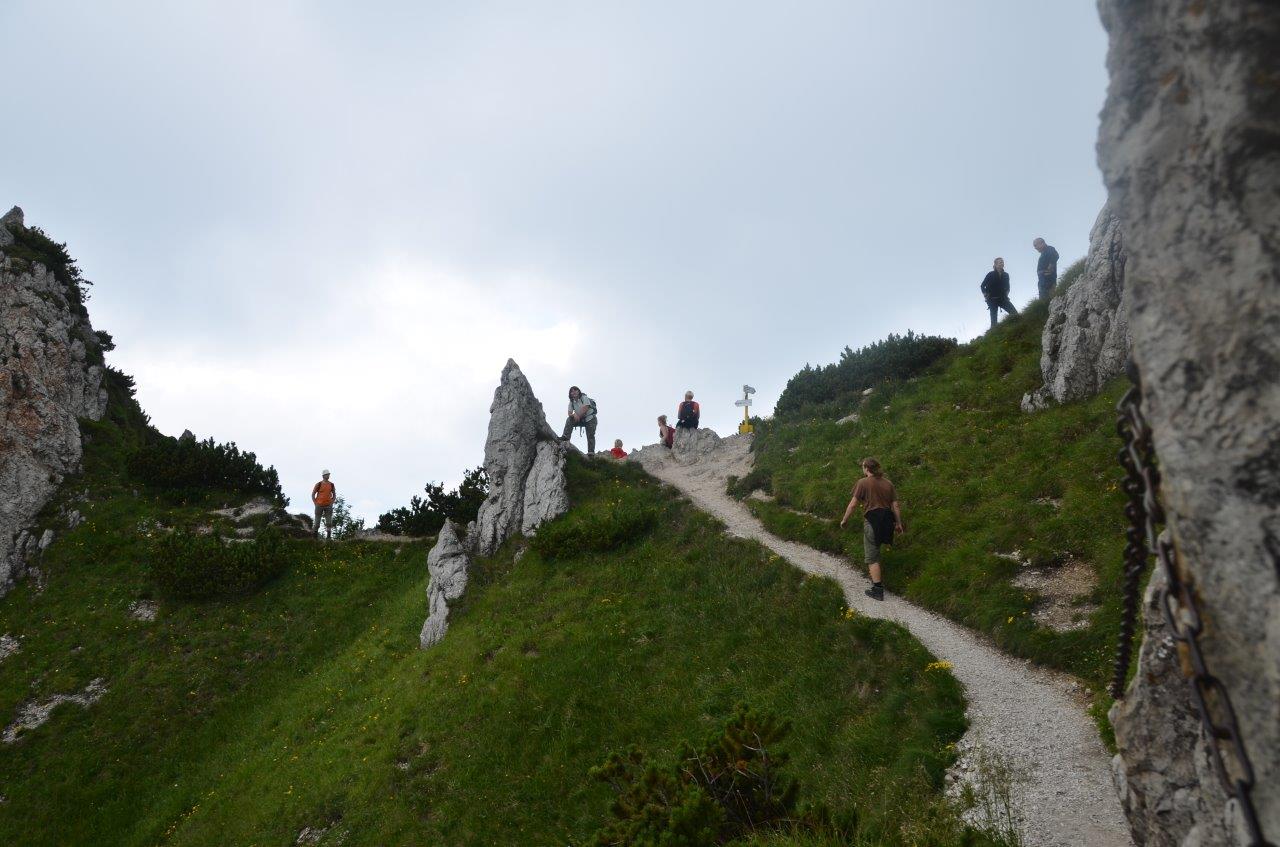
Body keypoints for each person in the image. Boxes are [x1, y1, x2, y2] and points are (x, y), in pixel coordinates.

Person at [839, 457, 904, 601]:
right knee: (878, 549)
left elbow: (853, 504)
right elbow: (895, 506)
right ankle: (879, 580)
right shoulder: (888, 483)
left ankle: (877, 590)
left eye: (863, 467)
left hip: (873, 520)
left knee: (872, 556)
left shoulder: (863, 482)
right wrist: (898, 524)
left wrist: (844, 520)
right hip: (888, 520)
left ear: (867, 468)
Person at [980, 257, 1019, 328]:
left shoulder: (1006, 275)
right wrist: (985, 294)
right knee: (994, 321)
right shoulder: (990, 274)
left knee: (1015, 314)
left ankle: (1017, 326)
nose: (1002, 263)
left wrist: (1006, 294)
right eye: (1000, 262)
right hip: (992, 299)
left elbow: (1007, 287)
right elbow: (982, 286)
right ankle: (993, 334)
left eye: (1002, 262)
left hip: (1003, 298)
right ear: (995, 264)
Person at [561, 385, 597, 455]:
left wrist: (578, 415)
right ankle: (566, 437)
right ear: (570, 394)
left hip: (590, 419)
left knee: (590, 435)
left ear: (578, 391)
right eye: (572, 391)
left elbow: (586, 407)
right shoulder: (571, 402)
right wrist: (574, 415)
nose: (573, 392)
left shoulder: (584, 397)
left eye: (575, 390)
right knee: (569, 419)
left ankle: (591, 452)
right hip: (580, 419)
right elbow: (569, 413)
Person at [311, 469, 336, 540]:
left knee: (329, 522)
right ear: (323, 476)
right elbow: (313, 494)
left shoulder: (331, 484)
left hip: (328, 506)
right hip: (319, 505)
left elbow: (334, 494)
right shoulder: (318, 484)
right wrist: (315, 503)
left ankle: (328, 537)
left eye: (329, 474)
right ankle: (315, 538)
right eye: (327, 474)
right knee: (317, 523)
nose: (328, 475)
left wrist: (332, 502)